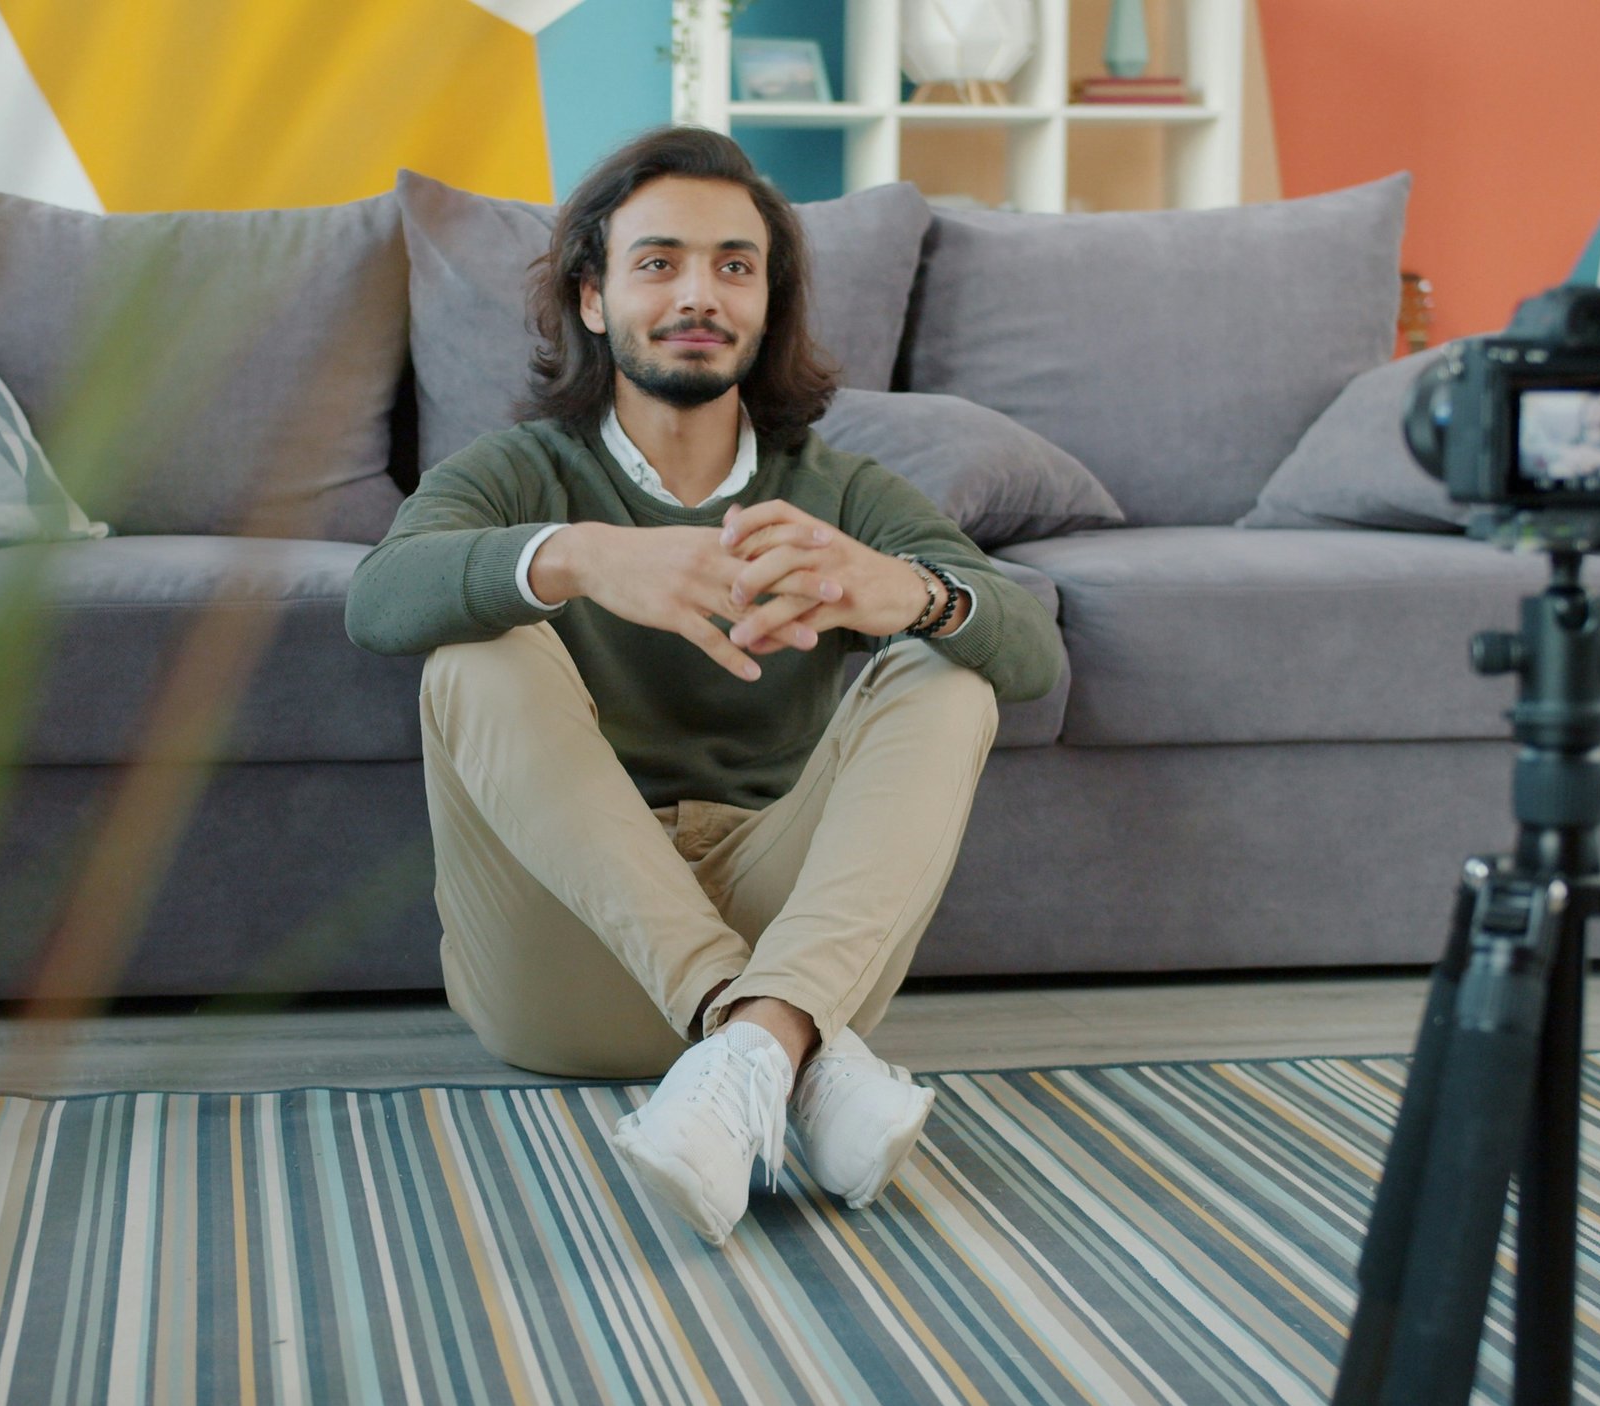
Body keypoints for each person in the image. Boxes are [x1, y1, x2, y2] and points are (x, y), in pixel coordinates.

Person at [344, 126, 1062, 1245]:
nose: (700, 293)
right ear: (592, 297)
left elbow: (1034, 654)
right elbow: (378, 600)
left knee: (948, 662)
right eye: (658, 261)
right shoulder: (518, 470)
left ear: (767, 303)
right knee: (474, 641)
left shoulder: (835, 489)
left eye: (735, 266)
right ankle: (775, 1045)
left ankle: (755, 1046)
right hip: (565, 958)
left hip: (795, 937)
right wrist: (578, 557)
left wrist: (902, 590)